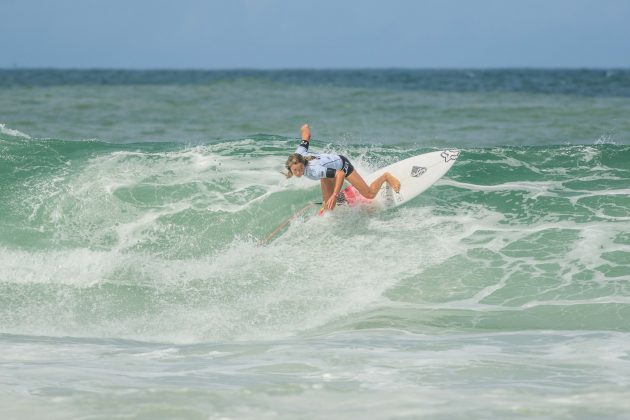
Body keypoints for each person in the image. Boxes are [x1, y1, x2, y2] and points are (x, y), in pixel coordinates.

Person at [284, 124, 400, 210]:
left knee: (369, 194)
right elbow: (306, 136)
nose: (299, 172)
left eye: (300, 169)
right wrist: (304, 127)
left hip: (342, 165)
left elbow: (340, 174)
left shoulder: (315, 170)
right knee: (329, 207)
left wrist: (334, 195)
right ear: (290, 168)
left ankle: (386, 176)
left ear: (303, 164)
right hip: (327, 171)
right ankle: (337, 200)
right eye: (295, 170)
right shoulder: (299, 154)